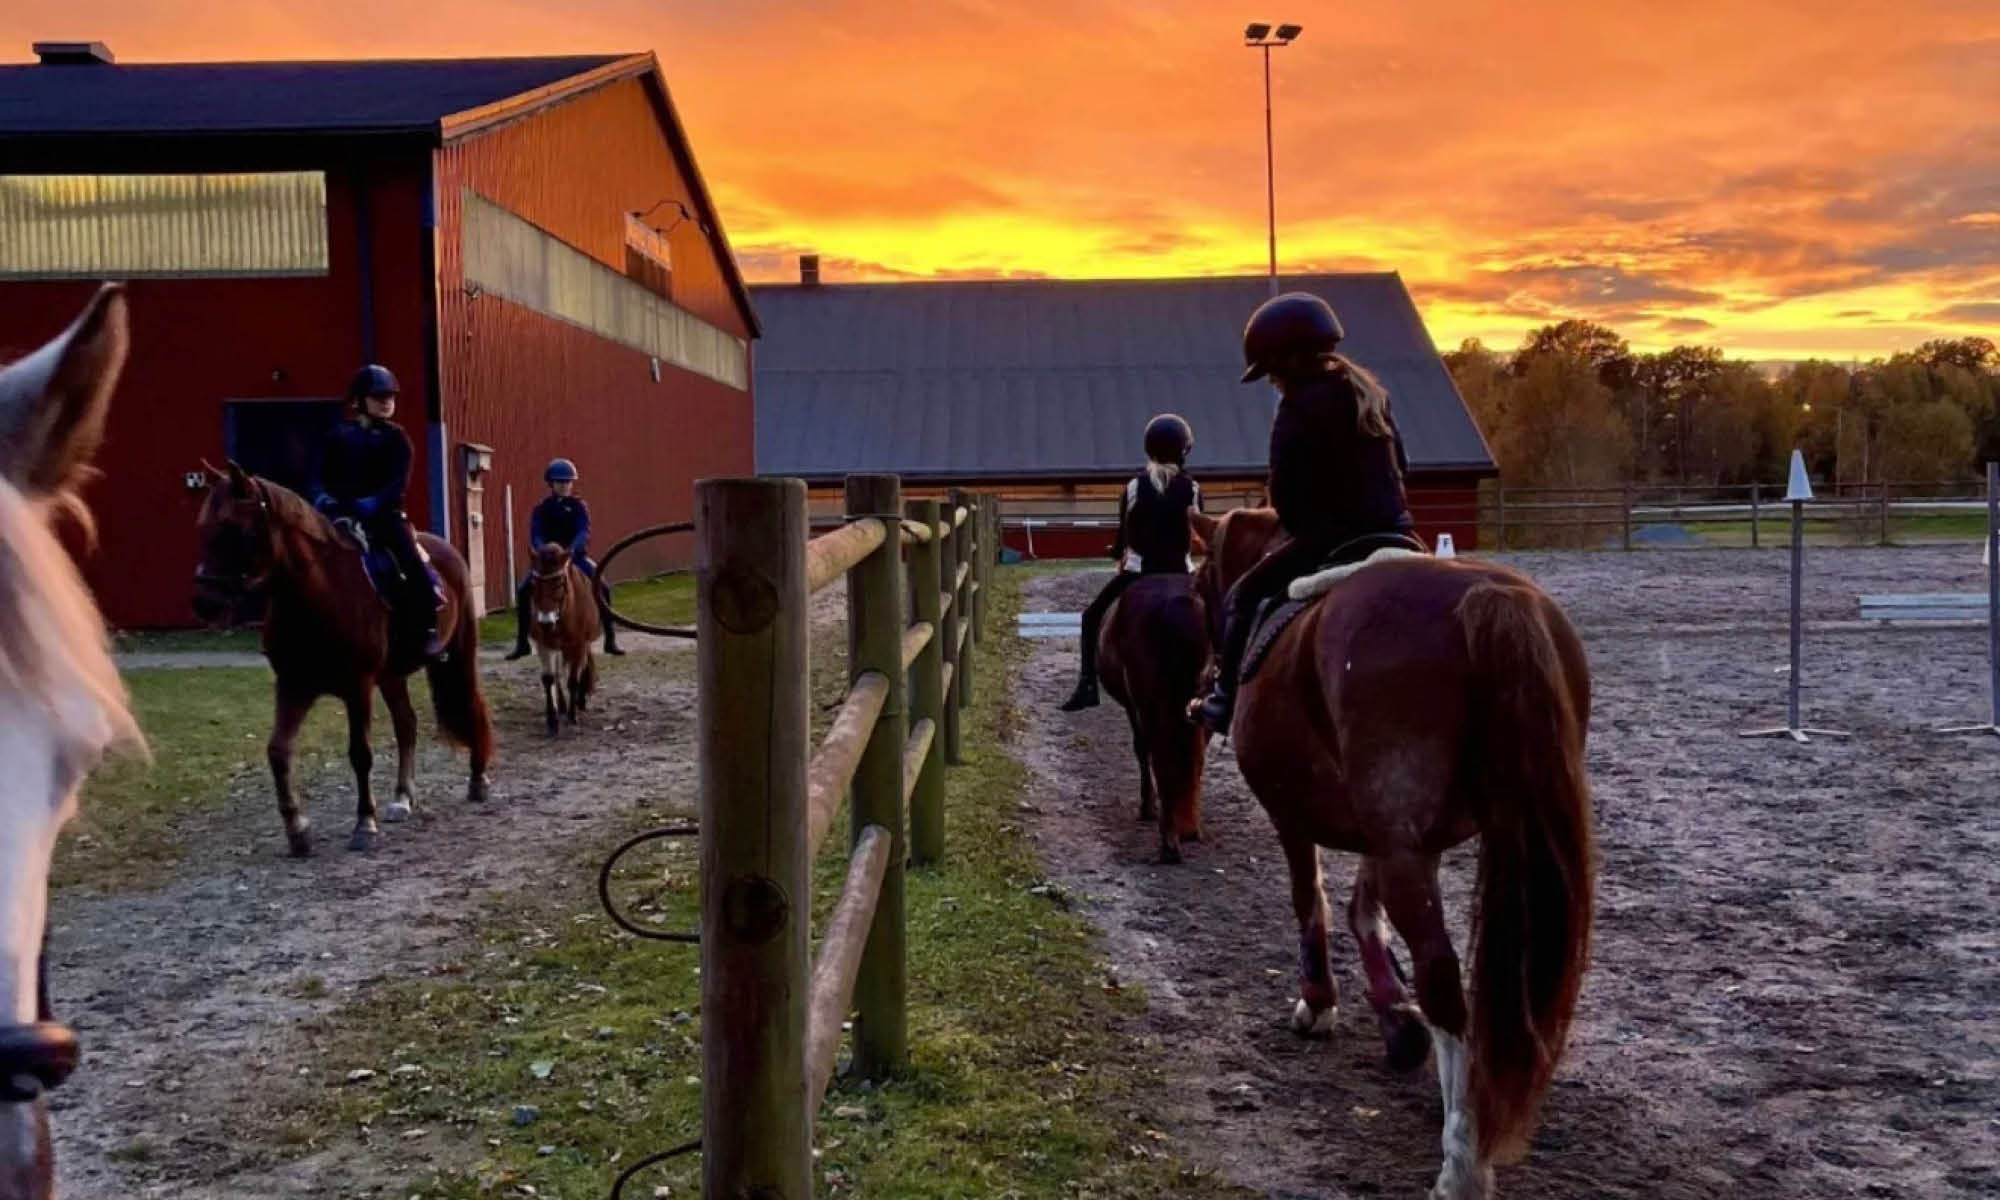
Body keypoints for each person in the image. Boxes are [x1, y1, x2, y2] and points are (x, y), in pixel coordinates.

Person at [1189, 292, 1421, 732]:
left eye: (1273, 373)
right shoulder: (1372, 396)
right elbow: (1402, 468)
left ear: (1289, 361)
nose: (1273, 382)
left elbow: (1289, 502)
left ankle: (1223, 701)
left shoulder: (1297, 408)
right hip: (1399, 536)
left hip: (1332, 542)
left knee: (1243, 596)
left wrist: (1302, 522)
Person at [1058, 413, 1202, 712]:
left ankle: (1087, 684)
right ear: (1184, 450)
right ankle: (1224, 681)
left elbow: (1124, 538)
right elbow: (1197, 535)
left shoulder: (1135, 487)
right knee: (1220, 616)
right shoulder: (1193, 489)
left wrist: (1116, 552)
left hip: (1138, 573)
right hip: (1183, 573)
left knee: (1091, 617)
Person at [315, 364, 446, 657]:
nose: (387, 402)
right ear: (359, 400)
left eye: (390, 396)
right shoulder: (339, 435)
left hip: (384, 516)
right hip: (343, 513)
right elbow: (323, 473)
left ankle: (428, 627)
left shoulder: (398, 439)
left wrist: (375, 502)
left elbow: (397, 483)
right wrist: (324, 497)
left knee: (409, 558)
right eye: (378, 396)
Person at [505, 457, 624, 660]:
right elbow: (536, 533)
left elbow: (583, 531)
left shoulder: (578, 506)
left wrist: (570, 549)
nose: (564, 486)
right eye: (560, 482)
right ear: (551, 484)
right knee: (523, 589)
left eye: (568, 482)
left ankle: (610, 638)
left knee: (603, 586)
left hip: (575, 557)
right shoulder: (542, 508)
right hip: (548, 560)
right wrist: (544, 550)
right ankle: (522, 641)